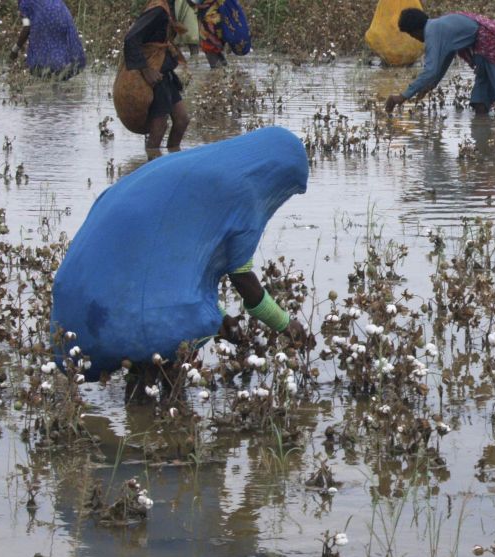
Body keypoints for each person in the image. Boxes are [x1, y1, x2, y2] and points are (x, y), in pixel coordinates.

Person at [51, 127, 311, 388]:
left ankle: (145, 400)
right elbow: (242, 278)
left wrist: (221, 318)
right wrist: (286, 325)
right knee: (173, 341)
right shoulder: (243, 190)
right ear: (275, 175)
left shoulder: (201, 167)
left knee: (149, 366)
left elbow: (173, 264)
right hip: (136, 282)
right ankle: (156, 403)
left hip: (102, 261)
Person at [384, 8, 495, 120]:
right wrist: (431, 85)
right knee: (479, 105)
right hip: (482, 51)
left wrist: (403, 96)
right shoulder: (439, 26)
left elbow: (430, 70)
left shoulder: (432, 32)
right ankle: (483, 132)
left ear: (415, 31)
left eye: (412, 36)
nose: (415, 39)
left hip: (491, 49)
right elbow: (444, 62)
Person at [123, 0, 190, 153]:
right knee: (159, 125)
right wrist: (146, 70)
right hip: (155, 74)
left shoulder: (168, 7)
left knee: (182, 120)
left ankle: (173, 160)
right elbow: (131, 38)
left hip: (164, 71)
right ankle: (152, 160)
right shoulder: (158, 10)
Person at [10, 0, 86, 80]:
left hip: (47, 22)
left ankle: (51, 79)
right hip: (63, 15)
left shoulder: (25, 3)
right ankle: (59, 78)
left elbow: (26, 28)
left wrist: (14, 50)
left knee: (41, 62)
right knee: (60, 52)